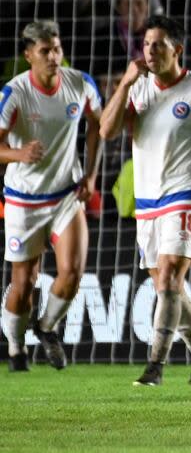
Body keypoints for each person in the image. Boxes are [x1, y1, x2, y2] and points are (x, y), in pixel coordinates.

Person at [100, 15, 191, 386]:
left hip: (186, 194)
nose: (150, 51)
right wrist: (126, 82)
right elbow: (106, 130)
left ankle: (155, 366)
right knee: (167, 287)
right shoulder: (137, 89)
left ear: (177, 49)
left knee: (172, 276)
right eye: (145, 45)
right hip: (147, 203)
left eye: (158, 44)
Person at [0, 20, 102, 371]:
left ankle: (46, 328)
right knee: (23, 283)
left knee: (72, 272)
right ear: (29, 55)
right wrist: (18, 154)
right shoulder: (14, 93)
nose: (53, 57)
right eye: (45, 51)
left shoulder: (80, 83)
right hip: (23, 200)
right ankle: (16, 348)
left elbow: (97, 129)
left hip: (65, 195)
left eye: (57, 49)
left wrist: (90, 174)